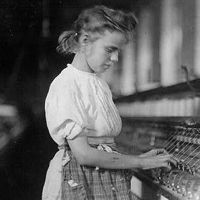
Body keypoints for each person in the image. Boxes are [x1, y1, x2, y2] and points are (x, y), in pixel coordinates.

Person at [42, 5, 176, 200]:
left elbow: (102, 143)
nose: (115, 58)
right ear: (85, 41)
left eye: (118, 51)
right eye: (110, 50)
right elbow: (84, 154)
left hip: (105, 180)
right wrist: (139, 162)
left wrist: (143, 158)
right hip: (83, 181)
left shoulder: (99, 84)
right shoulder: (67, 85)